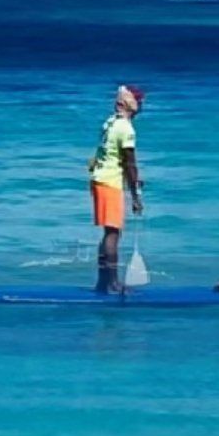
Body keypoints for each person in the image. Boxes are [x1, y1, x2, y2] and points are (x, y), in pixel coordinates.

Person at [89, 84, 144, 292]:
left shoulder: (111, 122)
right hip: (110, 182)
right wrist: (136, 195)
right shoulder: (126, 129)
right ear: (133, 106)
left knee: (109, 232)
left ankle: (103, 282)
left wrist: (134, 181)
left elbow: (110, 154)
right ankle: (111, 283)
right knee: (113, 233)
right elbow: (130, 162)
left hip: (100, 179)